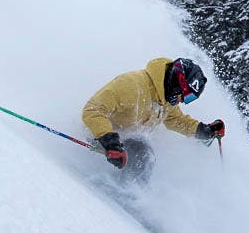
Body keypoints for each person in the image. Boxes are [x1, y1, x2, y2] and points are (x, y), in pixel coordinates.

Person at [81, 57, 224, 173]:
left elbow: (176, 119)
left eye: (190, 99)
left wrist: (204, 130)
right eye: (186, 96)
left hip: (120, 148)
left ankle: (132, 192)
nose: (183, 101)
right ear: (176, 83)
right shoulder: (131, 85)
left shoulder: (165, 100)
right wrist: (110, 141)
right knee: (143, 153)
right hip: (99, 141)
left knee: (147, 152)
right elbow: (93, 109)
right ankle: (123, 193)